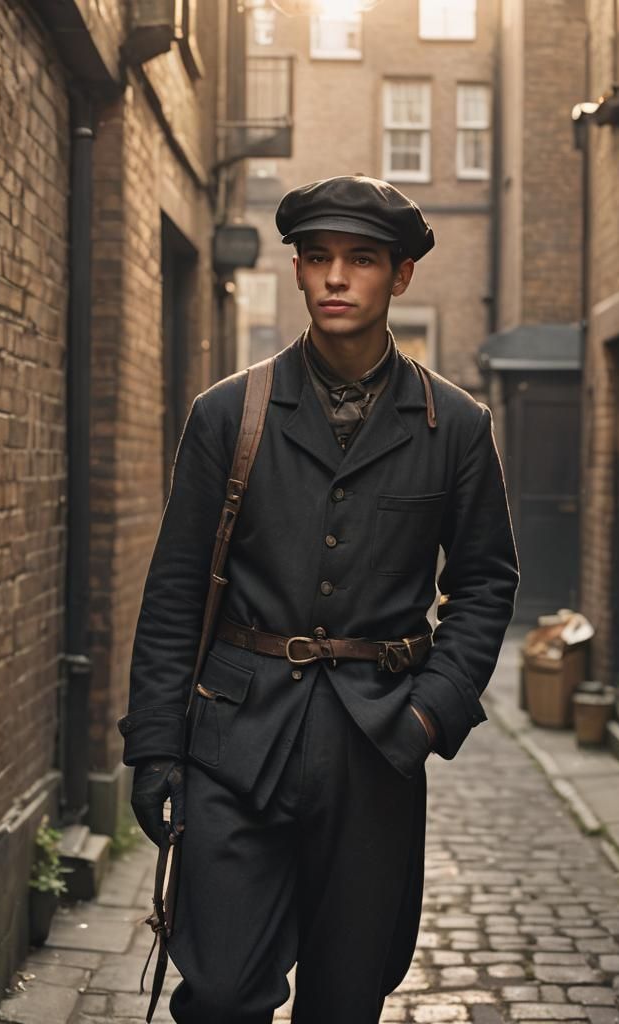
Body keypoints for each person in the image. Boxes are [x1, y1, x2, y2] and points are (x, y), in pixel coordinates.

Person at [118, 174, 519, 1024]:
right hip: (234, 740)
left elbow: (485, 583)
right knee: (221, 993)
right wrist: (154, 747)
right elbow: (176, 588)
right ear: (298, 269)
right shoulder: (227, 414)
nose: (337, 277)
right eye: (318, 257)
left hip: (376, 747)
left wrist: (430, 714)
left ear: (400, 275)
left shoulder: (456, 427)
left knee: (346, 997)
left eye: (362, 259)